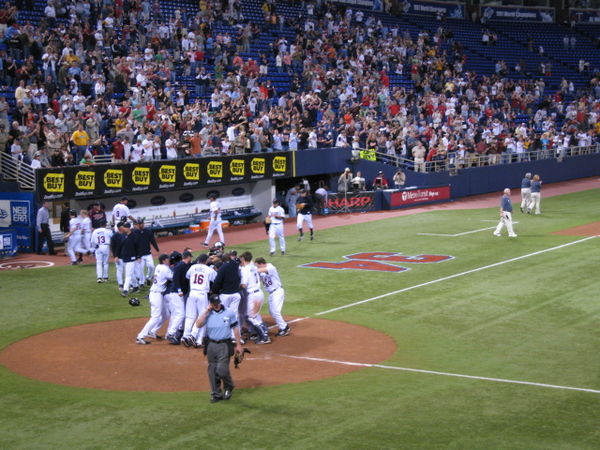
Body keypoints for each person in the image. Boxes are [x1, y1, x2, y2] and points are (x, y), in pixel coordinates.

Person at [195, 294, 243, 403]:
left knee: (222, 370)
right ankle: (216, 394)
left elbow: (235, 328)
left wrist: (238, 344)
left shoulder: (229, 312)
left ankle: (229, 386)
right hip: (211, 345)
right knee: (212, 371)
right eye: (214, 304)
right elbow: (198, 324)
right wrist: (206, 311)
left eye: (218, 303)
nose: (216, 305)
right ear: (210, 304)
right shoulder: (207, 313)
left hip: (224, 345)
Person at [136, 254, 172, 344]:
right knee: (155, 317)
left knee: (166, 315)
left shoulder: (159, 266)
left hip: (156, 294)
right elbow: (173, 277)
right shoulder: (165, 269)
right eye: (168, 259)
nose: (169, 260)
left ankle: (152, 331)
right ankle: (140, 336)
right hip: (156, 295)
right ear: (164, 260)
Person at [183, 253, 217, 347]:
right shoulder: (209, 269)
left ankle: (185, 336)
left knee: (190, 316)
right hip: (202, 294)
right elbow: (216, 280)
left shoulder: (192, 267)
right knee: (203, 316)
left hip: (192, 293)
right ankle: (195, 337)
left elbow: (187, 276)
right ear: (206, 261)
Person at [239, 251, 270, 344]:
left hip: (252, 295)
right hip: (259, 293)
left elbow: (244, 285)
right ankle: (263, 332)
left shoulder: (245, 269)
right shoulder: (253, 267)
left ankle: (264, 336)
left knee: (250, 316)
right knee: (255, 315)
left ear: (244, 259)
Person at [255, 257, 290, 337]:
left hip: (277, 291)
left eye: (257, 266)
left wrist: (250, 269)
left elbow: (259, 271)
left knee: (275, 311)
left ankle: (284, 328)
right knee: (272, 312)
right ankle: (283, 326)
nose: (257, 267)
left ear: (261, 264)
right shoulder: (261, 270)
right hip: (272, 293)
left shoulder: (271, 267)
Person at [212, 251, 242, 340]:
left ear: (222, 260)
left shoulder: (222, 268)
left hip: (225, 295)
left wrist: (214, 291)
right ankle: (236, 336)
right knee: (235, 315)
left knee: (223, 315)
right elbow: (237, 261)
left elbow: (217, 282)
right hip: (236, 294)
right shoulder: (235, 264)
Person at [165, 250, 193, 345]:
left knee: (178, 313)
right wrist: (179, 290)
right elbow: (175, 278)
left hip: (178, 293)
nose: (191, 259)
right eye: (190, 257)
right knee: (180, 314)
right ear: (188, 257)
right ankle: (171, 333)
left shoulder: (185, 265)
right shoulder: (180, 265)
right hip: (176, 293)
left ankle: (172, 332)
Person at [133, 218, 160, 287]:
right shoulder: (135, 233)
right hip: (140, 255)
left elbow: (152, 241)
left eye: (142, 223)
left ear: (143, 224)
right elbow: (134, 245)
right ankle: (142, 282)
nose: (141, 225)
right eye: (139, 224)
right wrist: (136, 256)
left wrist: (157, 249)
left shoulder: (148, 231)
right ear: (137, 225)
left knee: (151, 267)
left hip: (148, 253)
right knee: (140, 269)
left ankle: (148, 278)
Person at [118, 222, 141, 297]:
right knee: (131, 274)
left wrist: (138, 256)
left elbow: (137, 246)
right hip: (125, 258)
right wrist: (117, 256)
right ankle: (136, 287)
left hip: (132, 258)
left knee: (127, 275)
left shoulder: (134, 236)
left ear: (128, 228)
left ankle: (125, 291)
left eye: (124, 227)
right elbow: (120, 246)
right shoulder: (123, 235)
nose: (123, 228)